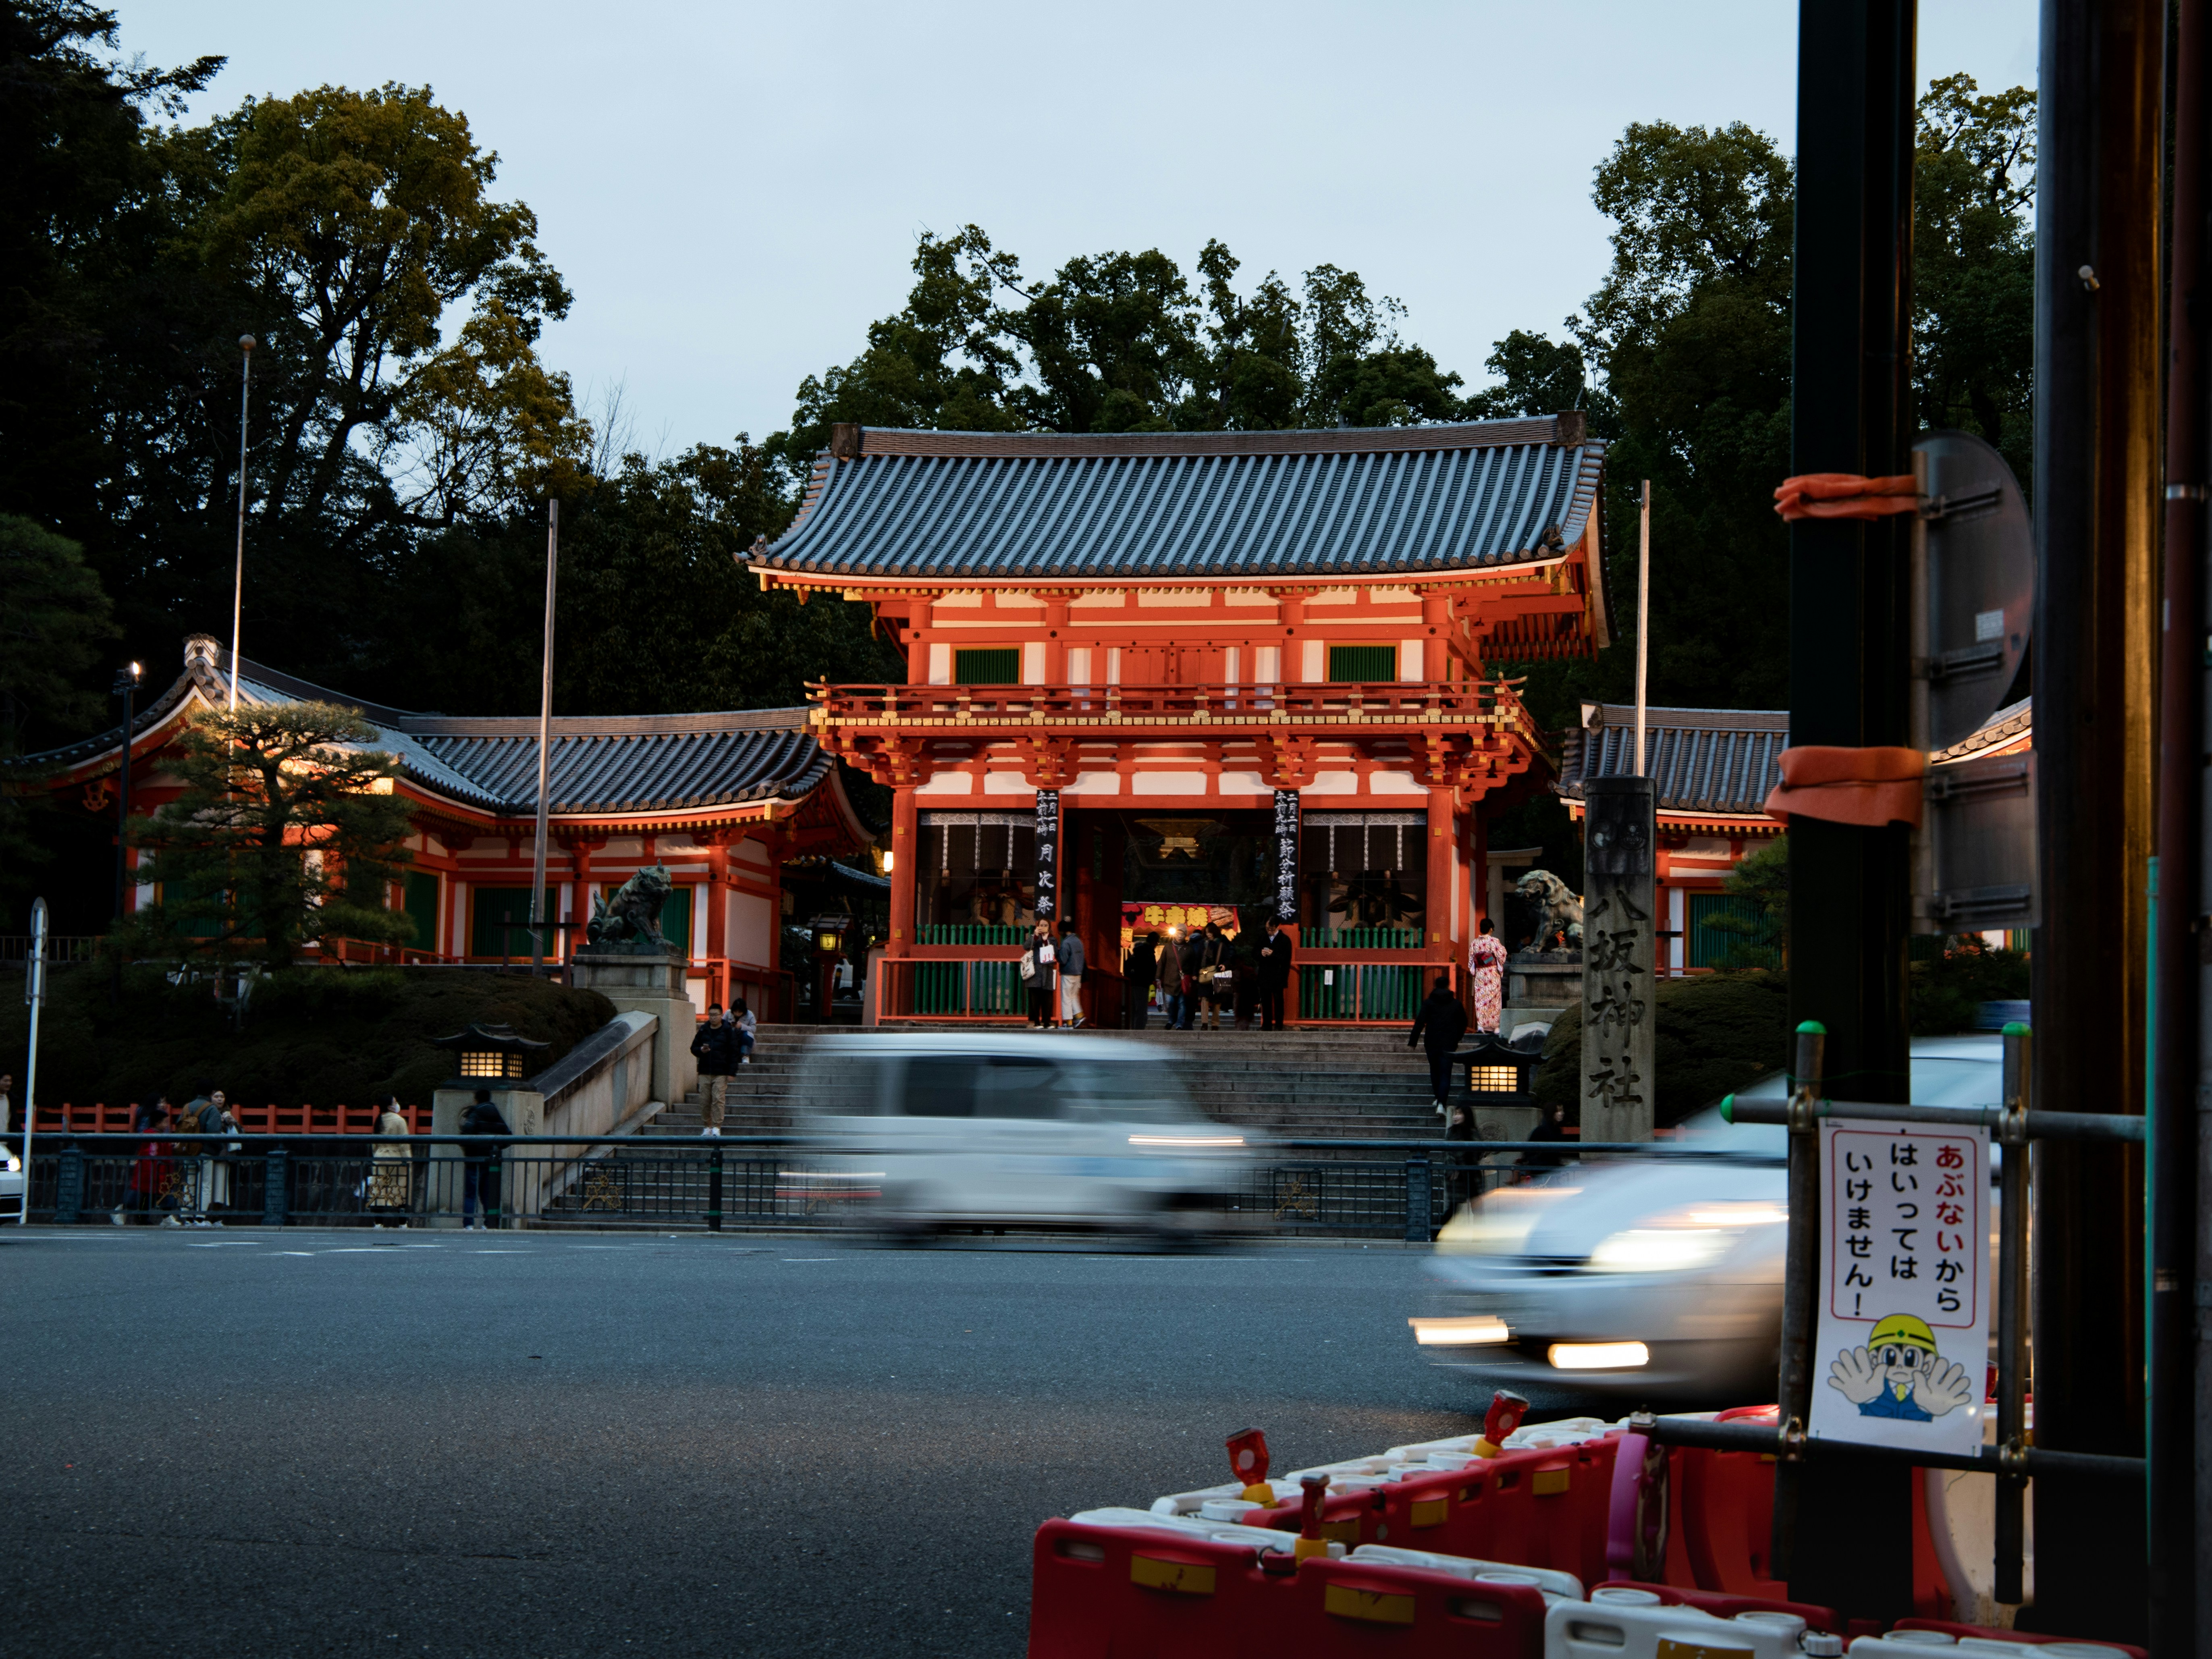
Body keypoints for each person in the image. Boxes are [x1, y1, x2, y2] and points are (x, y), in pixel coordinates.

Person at [1407, 974, 1469, 1117]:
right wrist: (1457, 1037)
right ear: (1449, 985)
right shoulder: (1456, 1004)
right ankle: (1442, 1103)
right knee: (1446, 1073)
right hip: (1449, 1042)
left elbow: (1420, 1022)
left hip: (1432, 1041)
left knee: (1435, 1071)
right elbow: (1463, 1023)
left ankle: (1438, 1098)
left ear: (1435, 986)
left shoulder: (1429, 1003)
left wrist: (1413, 1041)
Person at [459, 1088, 513, 1230]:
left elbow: (466, 1134)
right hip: (491, 1160)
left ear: (476, 1099)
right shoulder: (496, 1113)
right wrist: (495, 1148)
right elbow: (509, 1137)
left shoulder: (475, 1112)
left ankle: (469, 1224)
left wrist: (470, 1150)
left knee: (471, 1193)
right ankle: (489, 1223)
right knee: (488, 1193)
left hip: (474, 1159)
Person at [690, 1003, 741, 1135]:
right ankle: (707, 1126)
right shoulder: (704, 1029)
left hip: (721, 1072)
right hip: (705, 1071)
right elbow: (694, 1048)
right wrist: (701, 1050)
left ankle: (717, 1127)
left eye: (715, 1015)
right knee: (704, 1100)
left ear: (721, 1015)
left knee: (718, 1099)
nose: (712, 1018)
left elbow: (734, 1052)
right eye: (710, 1015)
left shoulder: (728, 1031)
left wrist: (732, 1072)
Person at [120, 1097, 173, 1225]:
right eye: (165, 1122)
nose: (167, 1125)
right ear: (157, 1123)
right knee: (151, 1194)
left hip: (152, 1171)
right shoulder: (154, 1136)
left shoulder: (151, 1134)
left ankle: (146, 1218)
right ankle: (163, 1218)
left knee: (147, 1195)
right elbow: (153, 1154)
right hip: (154, 1171)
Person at [367, 1094, 412, 1222]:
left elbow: (374, 1144)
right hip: (396, 1158)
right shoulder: (399, 1121)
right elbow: (405, 1144)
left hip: (380, 1158)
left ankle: (378, 1223)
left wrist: (377, 1155)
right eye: (395, 1102)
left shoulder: (379, 1120)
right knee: (399, 1188)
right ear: (390, 1107)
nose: (397, 1104)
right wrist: (408, 1160)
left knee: (379, 1189)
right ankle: (403, 1222)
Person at [1468, 918, 1509, 1034]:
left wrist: (1477, 967)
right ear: (1491, 929)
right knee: (1494, 1000)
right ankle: (1495, 1028)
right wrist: (1492, 959)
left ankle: (1481, 1026)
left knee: (1481, 1000)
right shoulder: (1494, 941)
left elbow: (1471, 960)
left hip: (1481, 974)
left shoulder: (1475, 943)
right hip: (1492, 974)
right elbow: (1502, 955)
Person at [1444, 1101, 1486, 1212]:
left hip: (1472, 1175)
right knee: (1453, 1209)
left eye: (1459, 1114)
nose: (1455, 1117)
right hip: (1458, 1175)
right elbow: (1449, 1153)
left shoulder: (1473, 1132)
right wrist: (1452, 1168)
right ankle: (1437, 1230)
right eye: (1455, 1114)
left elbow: (1480, 1151)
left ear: (1466, 1116)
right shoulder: (1452, 1132)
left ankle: (1479, 1230)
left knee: (1477, 1208)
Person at [1257, 919, 1293, 1031]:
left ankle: (1279, 1025)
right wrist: (1261, 954)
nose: (1269, 931)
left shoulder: (1285, 940)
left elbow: (1287, 958)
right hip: (1265, 974)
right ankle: (1266, 1025)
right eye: (1267, 929)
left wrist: (1273, 954)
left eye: (1271, 929)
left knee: (1278, 1001)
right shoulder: (1263, 938)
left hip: (1278, 974)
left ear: (1277, 927)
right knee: (1266, 1001)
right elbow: (1254, 953)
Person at [1191, 922, 1228, 1031]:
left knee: (1217, 1001)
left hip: (1218, 974)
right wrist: (1195, 973)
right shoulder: (1203, 944)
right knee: (1204, 999)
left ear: (1215, 932)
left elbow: (1228, 958)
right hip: (1205, 973)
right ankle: (1205, 1023)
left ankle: (1215, 1023)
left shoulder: (1222, 943)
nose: (1209, 935)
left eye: (1210, 932)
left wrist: (1225, 965)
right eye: (1207, 933)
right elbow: (1198, 959)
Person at [1021, 920, 1055, 1028]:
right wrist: (1035, 936)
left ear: (1049, 927)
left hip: (1047, 973)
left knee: (1047, 1000)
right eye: (1041, 925)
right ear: (1037, 927)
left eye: (1046, 926)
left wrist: (1047, 941)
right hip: (1035, 973)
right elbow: (1026, 947)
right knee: (1035, 1000)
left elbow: (1056, 953)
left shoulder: (1053, 939)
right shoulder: (1035, 938)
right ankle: (1036, 1022)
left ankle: (1047, 1022)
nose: (1043, 927)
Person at [1055, 918, 1087, 1029]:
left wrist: (1057, 953)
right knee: (1074, 996)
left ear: (1063, 930)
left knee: (1066, 998)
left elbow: (1063, 960)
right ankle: (1080, 1016)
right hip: (1078, 974)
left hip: (1068, 973)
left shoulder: (1066, 942)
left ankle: (1068, 1023)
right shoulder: (1079, 941)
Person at [1124, 932, 1157, 1030]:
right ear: (1154, 942)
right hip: (1143, 984)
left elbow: (1127, 966)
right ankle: (1138, 1031)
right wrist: (1152, 980)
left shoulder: (1135, 954)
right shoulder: (1149, 954)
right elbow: (1153, 970)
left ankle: (1133, 1028)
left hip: (1133, 984)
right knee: (1141, 1010)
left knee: (1134, 1009)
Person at [1157, 930, 1186, 1031]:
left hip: (1182, 981)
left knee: (1182, 1003)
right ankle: (1171, 1019)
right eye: (1178, 934)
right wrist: (1158, 978)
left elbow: (1193, 964)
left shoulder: (1188, 949)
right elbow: (1162, 963)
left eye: (1183, 934)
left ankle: (1179, 1024)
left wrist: (1193, 975)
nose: (1180, 936)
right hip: (1169, 981)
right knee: (1170, 1002)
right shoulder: (1168, 948)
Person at [733, 998, 757, 1064]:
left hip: (744, 1037)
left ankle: (745, 1055)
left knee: (747, 1035)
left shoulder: (750, 1015)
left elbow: (753, 1029)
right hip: (733, 1036)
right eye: (735, 1012)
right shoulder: (728, 1014)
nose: (737, 1014)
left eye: (739, 1012)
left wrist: (742, 1027)